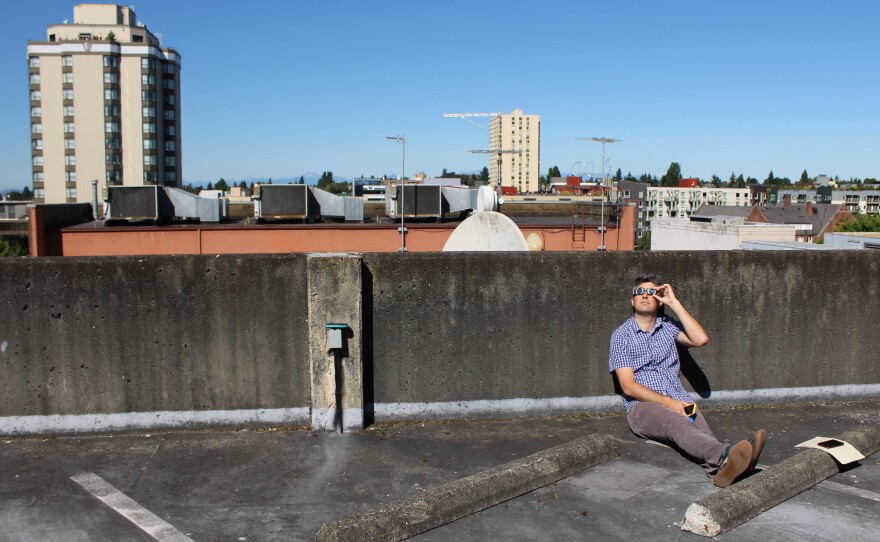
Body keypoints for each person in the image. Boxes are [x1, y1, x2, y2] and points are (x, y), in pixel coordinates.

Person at [608, 274, 766, 488]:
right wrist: (668, 403)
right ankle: (727, 455)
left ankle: (722, 469)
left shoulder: (669, 327)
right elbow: (628, 385)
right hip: (643, 408)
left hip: (682, 402)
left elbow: (700, 339)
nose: (645, 295)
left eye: (652, 292)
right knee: (677, 424)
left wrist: (675, 303)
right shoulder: (621, 335)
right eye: (639, 292)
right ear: (632, 301)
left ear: (660, 299)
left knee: (701, 432)